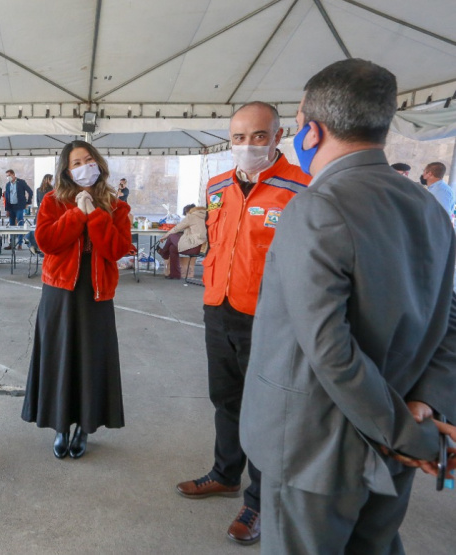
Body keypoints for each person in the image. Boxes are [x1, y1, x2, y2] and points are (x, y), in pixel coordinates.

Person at [239, 58, 456, 555]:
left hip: (316, 452)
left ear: (310, 131)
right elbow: (450, 316)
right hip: (398, 436)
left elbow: (329, 348)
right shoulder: (429, 207)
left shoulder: (317, 208)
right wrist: (425, 404)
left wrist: (408, 434)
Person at [175, 101, 310, 546]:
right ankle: (224, 473)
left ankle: (259, 502)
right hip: (219, 307)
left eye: (258, 136)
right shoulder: (216, 186)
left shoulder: (300, 189)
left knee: (268, 413)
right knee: (226, 400)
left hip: (271, 318)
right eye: (238, 137)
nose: (247, 145)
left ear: (277, 136)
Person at [21, 140, 133, 459]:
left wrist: (95, 215)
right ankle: (60, 427)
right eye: (76, 163)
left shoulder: (117, 206)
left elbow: (116, 250)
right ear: (66, 171)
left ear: (98, 163)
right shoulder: (53, 202)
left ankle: (85, 427)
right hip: (59, 291)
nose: (84, 167)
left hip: (96, 291)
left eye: (88, 160)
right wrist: (76, 217)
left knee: (91, 360)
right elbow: (47, 242)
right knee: (60, 356)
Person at [159, 204, 206, 279]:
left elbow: (176, 228)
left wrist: (164, 237)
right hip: (202, 247)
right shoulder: (205, 215)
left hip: (193, 246)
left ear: (188, 212)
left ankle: (164, 253)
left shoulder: (191, 216)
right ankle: (174, 275)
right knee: (172, 248)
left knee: (171, 236)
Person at [4, 169, 33, 249]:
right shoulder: (8, 185)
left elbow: (30, 191)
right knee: (12, 225)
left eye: (9, 175)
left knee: (20, 224)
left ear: (13, 175)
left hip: (19, 206)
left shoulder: (21, 182)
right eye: (7, 176)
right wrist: (7, 209)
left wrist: (28, 202)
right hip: (11, 207)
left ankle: (20, 243)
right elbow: (7, 197)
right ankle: (12, 243)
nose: (8, 177)